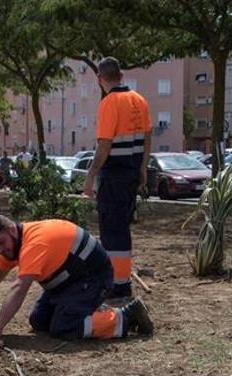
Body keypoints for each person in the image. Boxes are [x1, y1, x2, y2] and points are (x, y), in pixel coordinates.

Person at [0, 213, 152, 351]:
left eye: (1, 243)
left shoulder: (34, 243)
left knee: (64, 326)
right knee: (39, 321)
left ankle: (126, 317)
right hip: (69, 283)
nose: (0, 250)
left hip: (94, 278)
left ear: (11, 230)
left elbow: (19, 288)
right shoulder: (14, 245)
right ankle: (87, 310)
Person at [83, 57, 152, 302]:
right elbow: (147, 136)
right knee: (122, 228)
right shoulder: (139, 101)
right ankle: (121, 280)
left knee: (111, 230)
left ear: (100, 79)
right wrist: (143, 168)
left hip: (113, 174)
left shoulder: (109, 103)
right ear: (121, 76)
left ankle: (117, 284)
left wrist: (90, 176)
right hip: (132, 172)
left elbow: (104, 145)